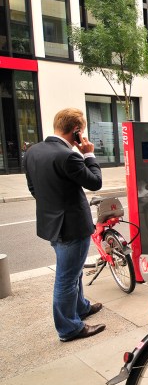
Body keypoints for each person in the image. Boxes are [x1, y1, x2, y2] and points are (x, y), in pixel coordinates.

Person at [24, 108, 105, 342]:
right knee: (67, 278)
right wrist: (88, 154)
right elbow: (95, 182)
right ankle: (69, 328)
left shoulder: (33, 151)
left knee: (73, 271)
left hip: (51, 224)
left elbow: (33, 189)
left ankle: (80, 307)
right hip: (71, 226)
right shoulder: (68, 156)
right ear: (77, 132)